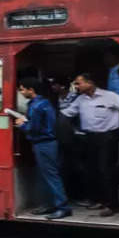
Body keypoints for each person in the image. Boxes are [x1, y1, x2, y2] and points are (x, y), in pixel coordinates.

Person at [60, 73, 119, 217]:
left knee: (106, 170)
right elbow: (68, 112)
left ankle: (113, 204)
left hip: (107, 138)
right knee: (92, 170)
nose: (76, 86)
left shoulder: (110, 96)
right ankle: (99, 200)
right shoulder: (80, 99)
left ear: (90, 83)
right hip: (90, 138)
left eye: (79, 83)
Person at [15, 78, 71, 220]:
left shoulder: (36, 106)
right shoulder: (44, 103)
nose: (21, 92)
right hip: (48, 143)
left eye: (22, 89)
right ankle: (49, 205)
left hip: (43, 144)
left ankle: (63, 207)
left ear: (31, 90)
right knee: (45, 176)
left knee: (51, 176)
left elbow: (34, 128)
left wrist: (21, 124)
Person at [49, 76, 87, 205]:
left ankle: (82, 195)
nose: (53, 87)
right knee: (66, 166)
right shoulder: (54, 99)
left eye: (55, 85)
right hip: (62, 136)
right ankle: (70, 195)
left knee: (79, 167)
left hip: (77, 135)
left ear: (63, 86)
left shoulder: (76, 98)